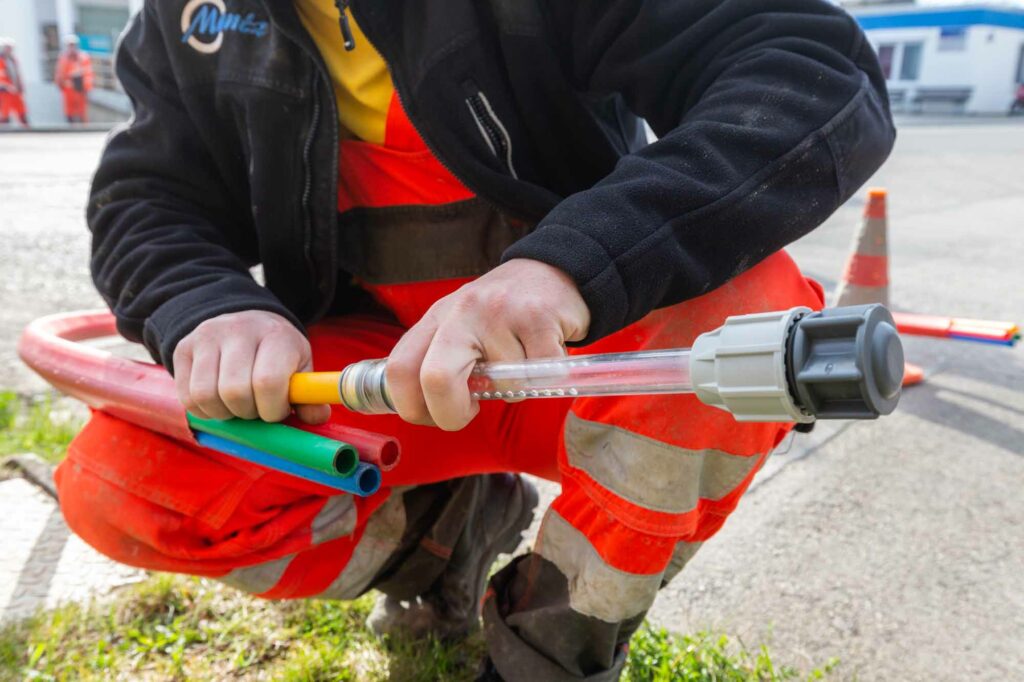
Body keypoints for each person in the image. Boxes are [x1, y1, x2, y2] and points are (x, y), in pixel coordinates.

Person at [59, 1, 894, 679]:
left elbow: (809, 67)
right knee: (127, 482)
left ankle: (551, 652)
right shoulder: (187, 16)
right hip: (375, 381)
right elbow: (148, 197)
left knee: (741, 324)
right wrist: (206, 303)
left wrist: (572, 265)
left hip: (584, 365)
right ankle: (442, 541)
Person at [54, 35, 93, 123]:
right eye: (69, 45)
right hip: (68, 89)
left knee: (82, 111)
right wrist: (59, 84)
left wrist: (87, 87)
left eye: (73, 45)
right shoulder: (63, 58)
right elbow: (59, 72)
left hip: (80, 88)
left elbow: (88, 73)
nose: (71, 47)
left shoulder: (83, 57)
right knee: (69, 111)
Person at [0, 38, 29, 127]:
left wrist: (20, 86)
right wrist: (6, 86)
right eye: (7, 48)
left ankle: (27, 131)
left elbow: (17, 75)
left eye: (10, 48)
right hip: (4, 92)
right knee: (5, 113)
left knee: (22, 111)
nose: (9, 50)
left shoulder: (13, 60)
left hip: (15, 91)